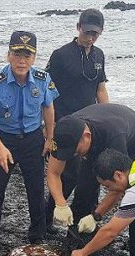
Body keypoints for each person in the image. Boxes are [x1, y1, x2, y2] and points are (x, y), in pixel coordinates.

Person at [0, 31, 59, 252]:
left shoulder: (43, 79)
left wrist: (49, 137)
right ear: (8, 55)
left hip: (33, 139)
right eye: (17, 54)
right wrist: (0, 147)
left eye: (27, 55)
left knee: (35, 189)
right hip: (3, 139)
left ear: (34, 58)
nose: (21, 60)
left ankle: (37, 234)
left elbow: (49, 107)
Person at [47, 103, 135, 256]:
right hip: (98, 137)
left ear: (86, 136)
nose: (73, 155)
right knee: (84, 191)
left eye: (75, 151)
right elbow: (53, 174)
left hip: (132, 139)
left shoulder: (114, 136)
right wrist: (60, 204)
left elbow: (118, 187)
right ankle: (79, 248)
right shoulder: (65, 132)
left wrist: (96, 216)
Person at [44, 8, 109, 232]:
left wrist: (107, 114)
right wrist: (48, 127)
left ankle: (83, 224)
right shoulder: (60, 55)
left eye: (96, 34)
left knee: (91, 175)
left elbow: (100, 88)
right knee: (67, 175)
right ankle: (49, 217)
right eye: (87, 32)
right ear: (78, 27)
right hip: (66, 124)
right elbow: (47, 92)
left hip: (91, 127)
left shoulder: (99, 55)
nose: (90, 38)